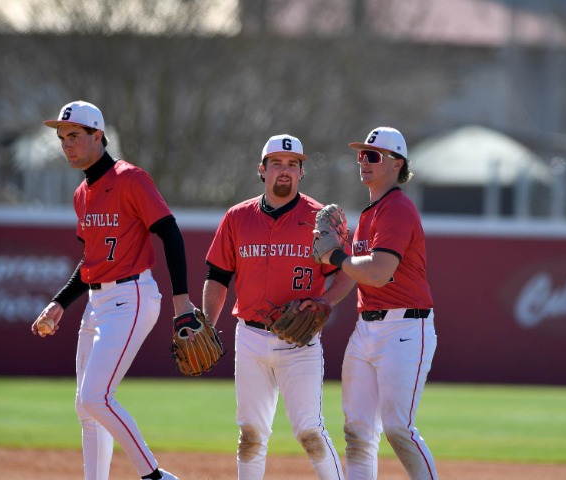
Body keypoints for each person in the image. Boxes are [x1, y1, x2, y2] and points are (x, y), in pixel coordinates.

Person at [31, 100, 188, 480]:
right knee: (86, 408)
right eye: (62, 138)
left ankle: (155, 476)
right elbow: (91, 260)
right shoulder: (82, 194)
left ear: (97, 135)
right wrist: (59, 303)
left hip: (131, 296)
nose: (66, 144)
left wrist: (181, 299)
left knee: (95, 396)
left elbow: (169, 231)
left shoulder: (130, 178)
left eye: (74, 135)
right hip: (97, 300)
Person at [202, 134, 354, 480]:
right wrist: (209, 323)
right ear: (262, 170)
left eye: (292, 164)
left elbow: (347, 272)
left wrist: (325, 301)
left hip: (300, 342)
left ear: (301, 172)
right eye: (276, 164)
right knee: (250, 435)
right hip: (250, 338)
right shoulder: (237, 217)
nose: (284, 170)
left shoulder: (320, 220)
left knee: (310, 432)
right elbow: (218, 275)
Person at [317, 127, 438, 480]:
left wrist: (335, 256)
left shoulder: (397, 209)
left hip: (404, 327)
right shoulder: (370, 213)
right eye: (361, 155)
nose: (363, 161)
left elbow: (378, 272)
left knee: (398, 427)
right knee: (357, 431)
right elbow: (354, 274)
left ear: (397, 163)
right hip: (366, 328)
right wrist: (325, 301)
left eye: (372, 155)